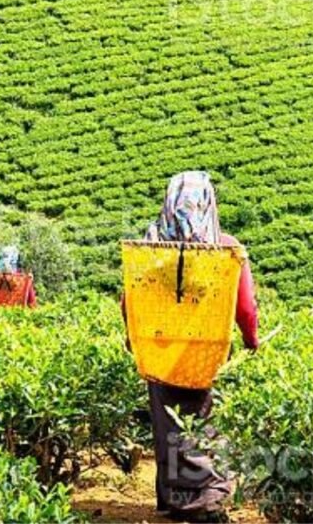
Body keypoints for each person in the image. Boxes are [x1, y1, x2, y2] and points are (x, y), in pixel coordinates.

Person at [128, 171, 259, 522]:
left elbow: (130, 302)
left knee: (168, 425)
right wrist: (251, 341)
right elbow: (245, 307)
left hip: (160, 352)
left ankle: (176, 501)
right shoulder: (227, 248)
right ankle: (208, 499)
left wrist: (134, 342)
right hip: (207, 353)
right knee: (205, 424)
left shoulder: (151, 251)